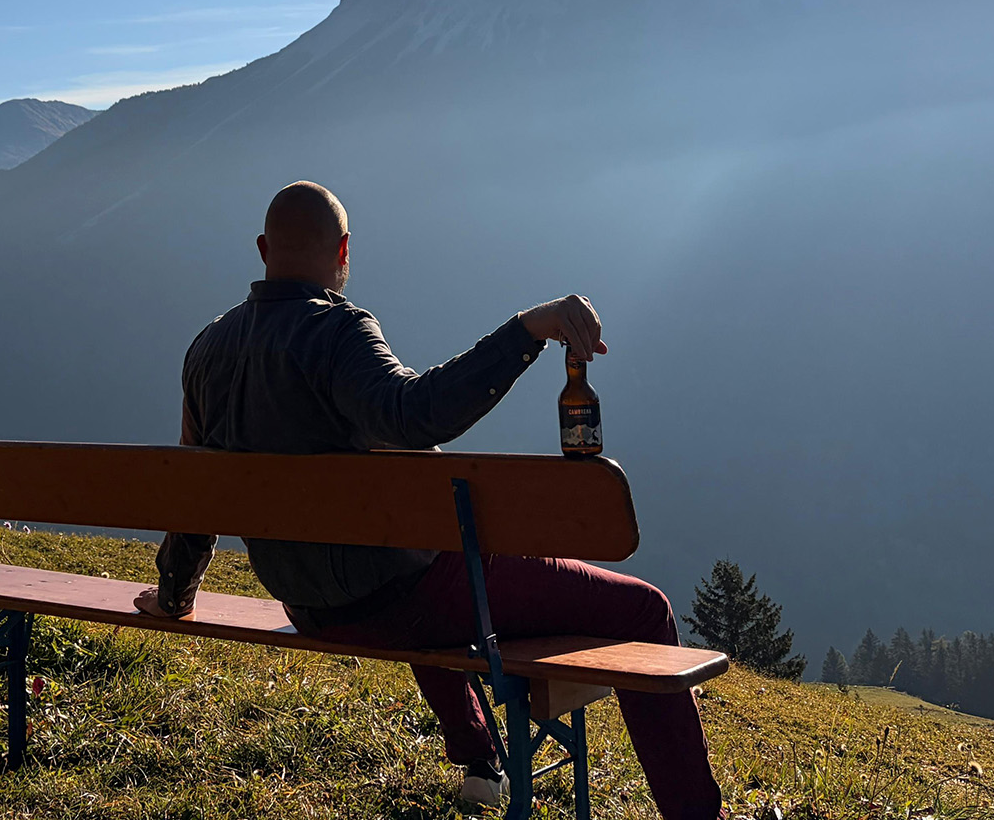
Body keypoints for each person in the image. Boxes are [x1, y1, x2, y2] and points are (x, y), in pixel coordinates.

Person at [135, 181, 723, 819]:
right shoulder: (335, 331)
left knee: (418, 557)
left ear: (261, 250)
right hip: (405, 601)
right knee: (642, 610)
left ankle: (479, 763)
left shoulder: (207, 350)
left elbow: (195, 491)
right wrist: (528, 329)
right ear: (344, 251)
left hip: (309, 605)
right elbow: (416, 415)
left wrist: (174, 594)